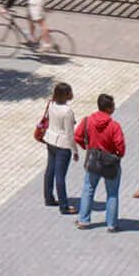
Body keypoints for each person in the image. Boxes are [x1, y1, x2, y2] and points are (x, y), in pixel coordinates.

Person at [75, 93, 126, 232]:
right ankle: (111, 224)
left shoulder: (87, 120)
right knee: (112, 193)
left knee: (88, 190)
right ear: (109, 108)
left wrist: (87, 147)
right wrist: (118, 155)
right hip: (110, 162)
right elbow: (120, 146)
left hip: (93, 160)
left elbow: (77, 136)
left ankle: (83, 220)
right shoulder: (114, 126)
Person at [42, 82, 81, 214]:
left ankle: (48, 197)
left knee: (50, 170)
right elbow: (70, 134)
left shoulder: (52, 104)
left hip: (50, 140)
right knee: (60, 175)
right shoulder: (68, 111)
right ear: (66, 95)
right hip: (62, 145)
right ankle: (64, 206)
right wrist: (75, 150)